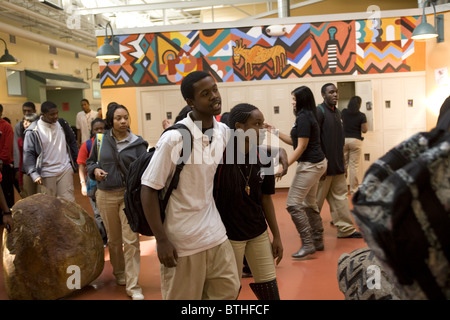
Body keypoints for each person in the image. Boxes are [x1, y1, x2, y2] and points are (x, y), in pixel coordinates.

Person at [140, 70, 241, 300]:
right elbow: (148, 189)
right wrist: (161, 240)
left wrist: (275, 151)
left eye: (214, 89)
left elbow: (244, 148)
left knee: (229, 292)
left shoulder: (221, 131)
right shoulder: (174, 139)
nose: (215, 96)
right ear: (191, 102)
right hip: (182, 242)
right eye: (205, 94)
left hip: (215, 235)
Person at [214, 103, 283, 299]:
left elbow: (266, 199)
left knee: (270, 290)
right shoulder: (220, 158)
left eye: (263, 124)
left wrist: (276, 235)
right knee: (230, 292)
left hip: (258, 232)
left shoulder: (265, 157)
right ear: (239, 127)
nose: (263, 129)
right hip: (229, 236)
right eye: (257, 124)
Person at [86, 104, 148, 300]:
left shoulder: (138, 143)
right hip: (105, 195)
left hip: (128, 197)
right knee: (114, 240)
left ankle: (133, 285)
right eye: (118, 118)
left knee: (131, 240)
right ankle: (120, 273)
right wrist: (94, 171)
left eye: (126, 117)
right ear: (110, 121)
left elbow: (144, 170)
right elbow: (91, 162)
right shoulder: (100, 139)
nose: (123, 121)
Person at [267, 86, 328, 258]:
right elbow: (295, 142)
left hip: (310, 165)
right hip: (317, 163)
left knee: (293, 203)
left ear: (302, 100)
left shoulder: (303, 117)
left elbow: (301, 147)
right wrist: (274, 131)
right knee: (309, 203)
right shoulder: (308, 115)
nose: (292, 102)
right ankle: (318, 240)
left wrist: (283, 166)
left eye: (294, 99)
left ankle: (308, 243)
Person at [316, 83, 362, 238]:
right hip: (324, 168)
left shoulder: (338, 113)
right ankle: (311, 235)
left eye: (336, 92)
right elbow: (314, 140)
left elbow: (340, 140)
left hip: (337, 166)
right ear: (323, 95)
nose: (335, 95)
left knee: (341, 199)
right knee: (315, 203)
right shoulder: (319, 111)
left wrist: (343, 162)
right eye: (331, 92)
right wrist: (320, 164)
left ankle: (345, 230)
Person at [22, 101, 78, 202]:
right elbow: (28, 153)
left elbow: (72, 141)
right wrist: (34, 173)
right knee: (48, 206)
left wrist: (75, 161)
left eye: (57, 113)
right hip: (46, 173)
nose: (55, 116)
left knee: (68, 204)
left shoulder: (62, 123)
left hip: (65, 170)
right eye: (52, 114)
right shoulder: (33, 131)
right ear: (43, 115)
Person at [77, 118, 107, 246]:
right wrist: (83, 184)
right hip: (93, 184)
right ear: (92, 131)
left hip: (109, 182)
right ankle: (103, 238)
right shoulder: (87, 145)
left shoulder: (111, 143)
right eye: (96, 129)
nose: (99, 131)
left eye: (102, 128)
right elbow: (81, 165)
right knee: (97, 212)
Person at [342, 96, 368, 194]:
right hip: (355, 141)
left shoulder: (343, 112)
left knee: (343, 165)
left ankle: (343, 191)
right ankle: (353, 190)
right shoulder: (361, 115)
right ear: (359, 104)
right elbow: (364, 130)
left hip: (343, 140)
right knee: (354, 166)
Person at [16, 113, 39, 198]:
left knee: (42, 198)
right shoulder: (20, 140)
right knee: (30, 198)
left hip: (40, 171)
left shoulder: (41, 136)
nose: (25, 123)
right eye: (24, 121)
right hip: (27, 172)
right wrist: (20, 180)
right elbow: (22, 159)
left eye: (29, 121)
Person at [0, 104, 15, 208]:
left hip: (4, 166)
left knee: (6, 196)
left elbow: (8, 146)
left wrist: (1, 159)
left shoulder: (6, 126)